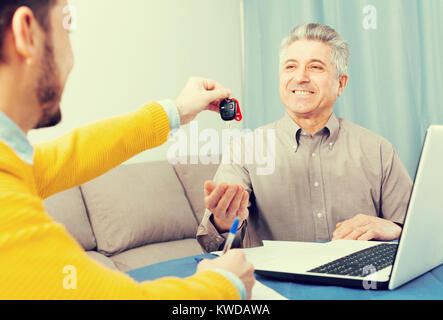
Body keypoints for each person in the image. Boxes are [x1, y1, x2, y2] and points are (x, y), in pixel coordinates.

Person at [0, 0, 255, 299]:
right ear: (26, 33)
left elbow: (71, 155)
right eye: (67, 23)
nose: (72, 57)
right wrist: (224, 284)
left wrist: (176, 112)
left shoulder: (11, 166)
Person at [197, 23, 413, 253]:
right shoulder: (244, 150)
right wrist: (223, 221)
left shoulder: (378, 150)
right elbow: (211, 245)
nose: (300, 77)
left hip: (360, 285)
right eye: (290, 66)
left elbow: (422, 234)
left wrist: (396, 229)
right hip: (275, 286)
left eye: (315, 67)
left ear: (340, 84)